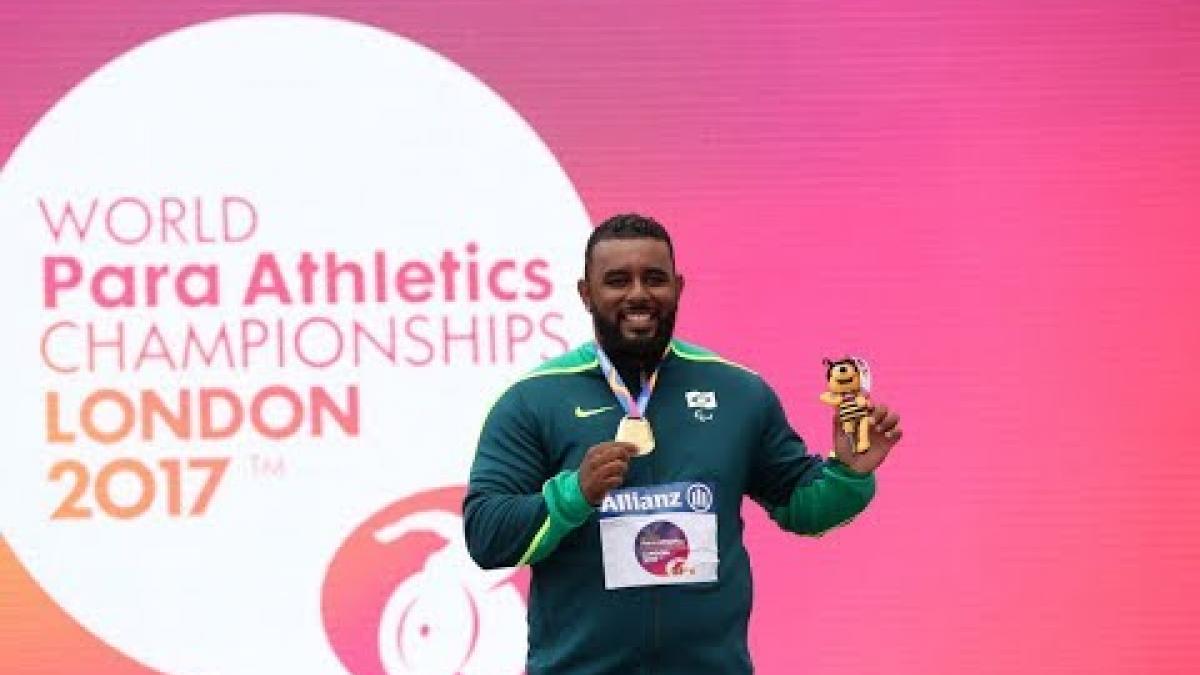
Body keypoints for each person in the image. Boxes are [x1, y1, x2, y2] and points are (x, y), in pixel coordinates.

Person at [463, 213, 903, 674]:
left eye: (654, 278)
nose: (637, 294)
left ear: (678, 287)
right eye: (617, 281)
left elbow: (803, 506)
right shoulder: (533, 400)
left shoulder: (739, 392)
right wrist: (576, 493)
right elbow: (487, 536)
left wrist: (850, 473)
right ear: (585, 294)